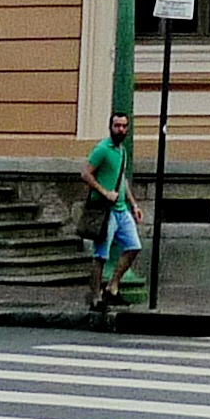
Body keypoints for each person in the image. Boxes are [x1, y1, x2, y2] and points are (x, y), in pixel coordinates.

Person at [81, 111, 140, 311]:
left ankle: (112, 286)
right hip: (105, 210)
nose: (120, 130)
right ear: (111, 127)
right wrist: (105, 193)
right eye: (117, 126)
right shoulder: (102, 149)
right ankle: (94, 298)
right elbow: (86, 174)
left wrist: (133, 205)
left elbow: (122, 179)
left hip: (122, 210)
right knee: (101, 256)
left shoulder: (122, 151)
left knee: (134, 246)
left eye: (124, 126)